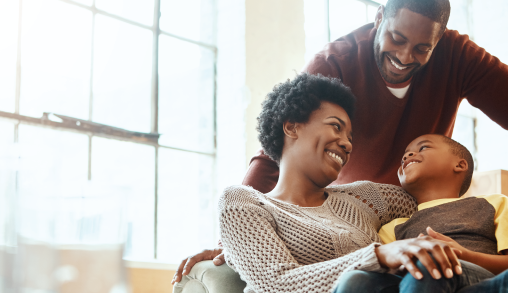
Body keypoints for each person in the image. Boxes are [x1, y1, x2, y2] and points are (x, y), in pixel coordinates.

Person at [173, 0, 508, 282]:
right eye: (396, 38)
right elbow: (275, 155)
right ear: (379, 19)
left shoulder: (458, 56)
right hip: (367, 225)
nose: (406, 56)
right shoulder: (335, 63)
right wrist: (235, 238)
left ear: (439, 40)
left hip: (402, 208)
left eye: (422, 48)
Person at [180, 73, 467, 292]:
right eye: (336, 127)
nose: (346, 144)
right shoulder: (243, 201)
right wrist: (380, 254)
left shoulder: (366, 196)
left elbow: (436, 198)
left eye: (350, 137)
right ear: (292, 126)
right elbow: (277, 285)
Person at [334, 134, 508, 292]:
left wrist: (467, 256)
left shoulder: (493, 203)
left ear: (460, 165)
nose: (406, 156)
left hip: (483, 281)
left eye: (423, 147)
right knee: (355, 279)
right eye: (405, 154)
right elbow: (390, 270)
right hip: (416, 283)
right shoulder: (393, 227)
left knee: (432, 262)